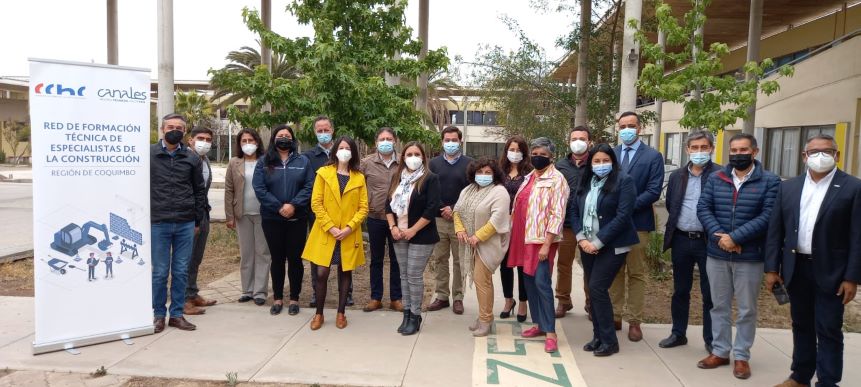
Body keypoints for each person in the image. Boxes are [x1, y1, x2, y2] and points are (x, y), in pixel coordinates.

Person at [765, 134, 861, 387]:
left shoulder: (853, 187)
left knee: (828, 328)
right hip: (796, 268)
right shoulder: (788, 187)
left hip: (833, 272)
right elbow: (776, 231)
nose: (820, 156)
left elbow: (857, 236)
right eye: (814, 151)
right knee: (801, 324)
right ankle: (800, 375)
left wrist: (852, 277)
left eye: (827, 151)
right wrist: (772, 268)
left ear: (837, 155)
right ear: (804, 156)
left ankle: (828, 381)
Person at [696, 133, 779, 379]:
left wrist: (737, 238)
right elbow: (703, 208)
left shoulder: (770, 181)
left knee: (746, 309)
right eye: (733, 151)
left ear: (755, 152)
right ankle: (721, 351)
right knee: (718, 305)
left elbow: (768, 216)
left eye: (743, 150)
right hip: (717, 253)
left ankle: (741, 356)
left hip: (750, 256)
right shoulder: (716, 177)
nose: (737, 155)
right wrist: (720, 237)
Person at [571, 143, 639, 357]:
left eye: (605, 161)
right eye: (597, 161)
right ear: (590, 164)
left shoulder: (624, 181)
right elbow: (573, 210)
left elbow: (623, 216)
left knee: (598, 288)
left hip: (612, 245)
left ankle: (610, 341)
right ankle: (598, 336)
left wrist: (597, 242)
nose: (601, 165)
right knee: (593, 291)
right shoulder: (586, 181)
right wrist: (581, 238)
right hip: (586, 244)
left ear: (613, 162)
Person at [659, 131, 721, 353]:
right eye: (694, 148)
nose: (699, 152)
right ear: (687, 150)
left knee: (710, 293)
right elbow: (672, 207)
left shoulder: (721, 175)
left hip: (709, 242)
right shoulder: (677, 176)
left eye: (703, 147)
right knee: (680, 290)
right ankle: (678, 333)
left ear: (712, 148)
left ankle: (711, 339)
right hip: (682, 240)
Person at [509, 137, 569, 353]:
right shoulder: (528, 178)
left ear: (551, 156)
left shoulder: (557, 179)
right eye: (535, 153)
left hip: (542, 241)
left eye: (543, 154)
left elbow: (557, 214)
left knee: (542, 284)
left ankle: (551, 331)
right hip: (524, 239)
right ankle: (539, 325)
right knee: (529, 283)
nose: (538, 157)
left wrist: (547, 244)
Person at [303, 136, 368, 330]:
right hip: (326, 231)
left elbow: (363, 207)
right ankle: (319, 314)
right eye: (341, 147)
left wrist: (349, 228)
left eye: (348, 148)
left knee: (345, 271)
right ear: (335, 151)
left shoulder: (359, 177)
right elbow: (316, 203)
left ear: (353, 152)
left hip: (348, 233)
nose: (344, 151)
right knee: (322, 273)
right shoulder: (323, 173)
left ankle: (341, 313)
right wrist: (331, 227)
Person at [610, 111, 664, 342]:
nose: (627, 129)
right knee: (614, 271)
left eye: (631, 125)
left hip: (637, 223)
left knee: (636, 272)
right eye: (623, 126)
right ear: (618, 129)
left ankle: (634, 320)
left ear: (639, 128)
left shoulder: (652, 156)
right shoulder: (610, 155)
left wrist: (626, 207)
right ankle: (614, 315)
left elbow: (653, 191)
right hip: (612, 224)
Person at [150, 113, 206, 333]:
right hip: (159, 222)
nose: (174, 130)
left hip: (185, 223)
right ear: (162, 129)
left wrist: (197, 219)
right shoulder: (149, 154)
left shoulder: (191, 158)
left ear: (184, 132)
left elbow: (199, 191)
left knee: (181, 270)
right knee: (160, 272)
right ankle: (158, 315)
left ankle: (176, 314)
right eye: (170, 126)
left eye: (179, 128)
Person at [254, 124, 315, 316]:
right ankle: (278, 298)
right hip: (272, 218)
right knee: (277, 259)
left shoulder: (303, 161)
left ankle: (294, 298)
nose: (284, 138)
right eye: (280, 135)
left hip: (297, 219)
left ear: (293, 139)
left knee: (295, 260)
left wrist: (293, 205)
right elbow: (259, 188)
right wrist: (279, 207)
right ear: (273, 139)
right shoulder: (264, 161)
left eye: (287, 136)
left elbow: (309, 186)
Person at [386, 142, 441, 335]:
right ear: (403, 157)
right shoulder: (396, 178)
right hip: (398, 233)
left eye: (417, 153)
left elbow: (432, 208)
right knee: (404, 275)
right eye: (409, 154)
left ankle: (416, 316)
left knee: (414, 275)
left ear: (423, 157)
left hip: (421, 235)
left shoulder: (430, 179)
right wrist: (393, 227)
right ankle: (407, 313)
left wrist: (413, 230)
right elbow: (388, 205)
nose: (413, 157)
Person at [453, 158, 511, 337]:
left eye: (488, 173)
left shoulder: (499, 192)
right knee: (480, 283)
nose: (483, 176)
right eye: (480, 172)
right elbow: (457, 210)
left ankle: (486, 320)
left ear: (495, 174)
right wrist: (460, 229)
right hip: (469, 243)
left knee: (482, 281)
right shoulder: (468, 190)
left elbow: (497, 220)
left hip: (487, 245)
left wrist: (478, 236)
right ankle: (483, 317)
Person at [302, 115, 353, 307]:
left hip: (344, 218)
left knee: (345, 257)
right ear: (315, 132)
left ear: (333, 130)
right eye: (319, 130)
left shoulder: (344, 151)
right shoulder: (308, 157)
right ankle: (317, 293)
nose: (323, 133)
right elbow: (309, 187)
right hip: (319, 217)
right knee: (319, 259)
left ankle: (347, 294)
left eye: (326, 129)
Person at [428, 126, 474, 314]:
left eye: (454, 140)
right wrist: (442, 208)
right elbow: (430, 189)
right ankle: (441, 296)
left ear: (460, 141)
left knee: (458, 260)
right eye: (447, 140)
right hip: (438, 219)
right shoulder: (433, 164)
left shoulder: (470, 164)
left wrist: (454, 209)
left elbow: (472, 191)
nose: (450, 143)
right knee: (440, 259)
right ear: (442, 142)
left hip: (460, 220)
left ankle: (458, 297)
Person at [225, 128, 271, 306]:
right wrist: (230, 215)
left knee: (263, 253)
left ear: (257, 142)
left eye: (250, 140)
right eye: (243, 141)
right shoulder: (234, 163)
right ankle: (247, 290)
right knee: (246, 254)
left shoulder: (266, 162)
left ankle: (260, 292)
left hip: (263, 213)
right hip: (242, 214)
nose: (247, 144)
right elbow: (229, 190)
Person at [359, 127, 403, 312]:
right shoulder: (366, 163)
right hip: (375, 217)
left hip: (398, 220)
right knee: (375, 259)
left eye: (389, 138)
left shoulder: (403, 162)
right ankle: (375, 297)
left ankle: (396, 298)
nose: (386, 141)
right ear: (376, 142)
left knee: (397, 259)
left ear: (395, 141)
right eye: (382, 138)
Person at [555, 126, 593, 319]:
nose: (578, 142)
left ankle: (591, 303)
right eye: (574, 138)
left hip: (590, 225)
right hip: (567, 224)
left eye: (582, 138)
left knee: (590, 265)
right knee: (564, 264)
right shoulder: (560, 165)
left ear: (589, 142)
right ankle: (563, 301)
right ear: (569, 142)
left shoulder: (596, 163)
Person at [498, 136, 532, 322]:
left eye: (518, 150)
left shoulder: (530, 173)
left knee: (521, 265)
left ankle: (522, 302)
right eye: (511, 149)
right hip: (502, 225)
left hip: (522, 225)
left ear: (524, 152)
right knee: (504, 264)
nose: (515, 153)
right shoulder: (499, 172)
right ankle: (508, 300)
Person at [184, 126, 217, 315]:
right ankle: (183, 300)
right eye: (200, 138)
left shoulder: (204, 160)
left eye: (208, 139)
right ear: (190, 140)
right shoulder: (185, 159)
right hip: (189, 217)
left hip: (203, 213)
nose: (204, 142)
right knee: (185, 259)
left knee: (196, 257)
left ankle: (192, 292)